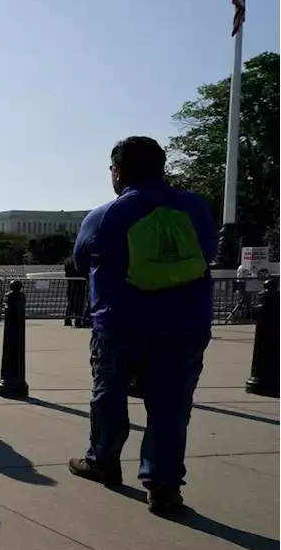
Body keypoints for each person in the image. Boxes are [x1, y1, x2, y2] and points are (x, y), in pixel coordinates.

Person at [67, 136, 216, 517]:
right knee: (171, 405)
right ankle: (163, 487)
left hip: (122, 320)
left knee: (110, 393)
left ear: (118, 172)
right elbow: (209, 253)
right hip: (185, 322)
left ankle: (104, 460)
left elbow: (82, 261)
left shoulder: (105, 215)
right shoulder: (196, 208)